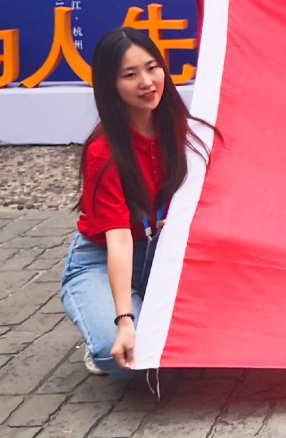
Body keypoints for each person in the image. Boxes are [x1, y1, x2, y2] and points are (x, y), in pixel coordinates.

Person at [59, 28, 212, 379]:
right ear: (110, 85)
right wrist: (124, 320)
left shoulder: (184, 131)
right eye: (130, 75)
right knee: (131, 359)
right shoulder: (103, 152)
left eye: (152, 67)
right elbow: (119, 241)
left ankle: (142, 308)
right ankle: (104, 332)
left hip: (162, 252)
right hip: (102, 259)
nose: (146, 82)